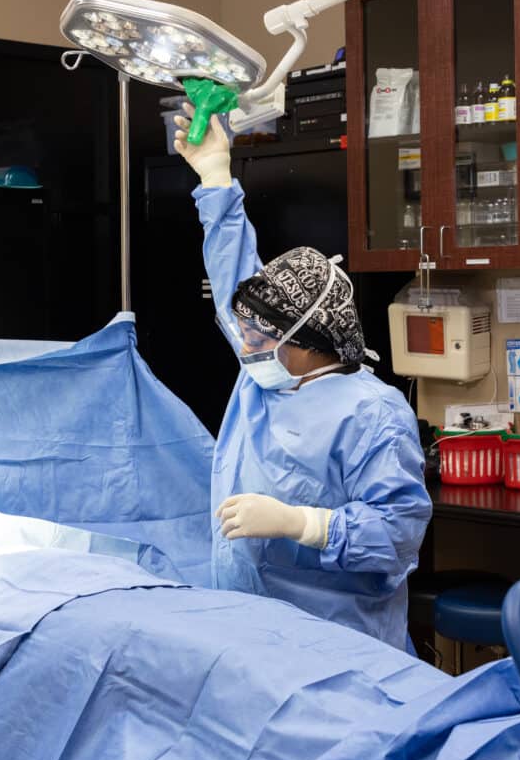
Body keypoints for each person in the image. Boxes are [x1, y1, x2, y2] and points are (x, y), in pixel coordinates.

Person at [173, 104, 432, 649]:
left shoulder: (372, 414)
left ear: (310, 342)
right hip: (250, 628)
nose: (243, 345)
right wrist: (216, 175)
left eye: (259, 337)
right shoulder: (263, 372)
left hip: (336, 647)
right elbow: (234, 279)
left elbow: (397, 535)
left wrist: (302, 525)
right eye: (243, 331)